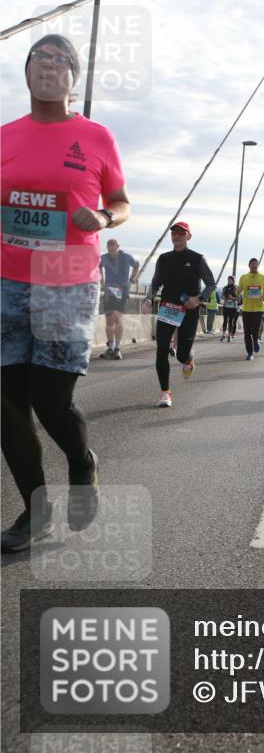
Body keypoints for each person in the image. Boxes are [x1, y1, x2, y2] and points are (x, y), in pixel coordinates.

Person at [1, 34, 130, 552]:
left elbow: (120, 202)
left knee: (49, 399)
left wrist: (100, 215)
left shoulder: (96, 137)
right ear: (27, 71)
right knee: (7, 403)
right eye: (40, 58)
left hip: (68, 281)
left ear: (74, 80)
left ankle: (83, 465)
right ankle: (35, 511)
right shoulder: (5, 136)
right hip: (8, 281)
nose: (49, 66)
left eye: (61, 60)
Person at [143, 222, 215, 407]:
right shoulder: (164, 258)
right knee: (161, 350)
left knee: (181, 355)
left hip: (189, 310)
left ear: (188, 236)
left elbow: (211, 284)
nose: (177, 236)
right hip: (168, 308)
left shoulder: (197, 258)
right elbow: (155, 282)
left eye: (181, 233)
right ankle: (165, 393)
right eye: (174, 233)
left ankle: (188, 359)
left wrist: (198, 299)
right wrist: (149, 298)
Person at [99, 238, 139, 360]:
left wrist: (132, 279)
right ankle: (110, 348)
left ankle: (117, 348)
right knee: (109, 320)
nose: (110, 247)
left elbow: (136, 265)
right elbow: (98, 267)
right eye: (108, 245)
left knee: (118, 318)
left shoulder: (127, 257)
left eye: (112, 245)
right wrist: (102, 281)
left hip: (122, 291)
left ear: (118, 246)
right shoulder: (104, 257)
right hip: (109, 292)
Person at [237, 258, 264, 360]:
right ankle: (250, 353)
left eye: (256, 264)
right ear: (249, 265)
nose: (254, 266)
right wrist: (237, 292)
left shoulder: (263, 278)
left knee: (255, 330)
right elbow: (239, 290)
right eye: (252, 264)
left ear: (258, 266)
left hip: (259, 308)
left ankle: (256, 341)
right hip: (246, 308)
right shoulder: (244, 277)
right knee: (247, 332)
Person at [220, 275, 238, 342]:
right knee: (225, 321)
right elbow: (222, 296)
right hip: (226, 307)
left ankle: (229, 336)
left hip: (233, 308)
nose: (229, 281)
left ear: (233, 281)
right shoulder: (225, 288)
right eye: (228, 280)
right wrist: (226, 298)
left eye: (231, 280)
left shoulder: (236, 288)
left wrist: (233, 298)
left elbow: (239, 298)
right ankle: (223, 335)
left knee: (231, 322)